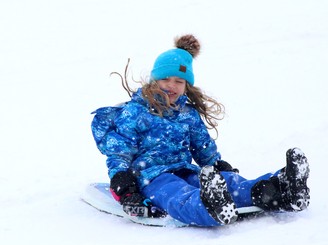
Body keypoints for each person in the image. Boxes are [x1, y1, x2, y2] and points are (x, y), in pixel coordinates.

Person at [91, 34, 310, 227]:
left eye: (179, 81)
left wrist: (215, 164)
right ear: (154, 80)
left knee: (229, 183)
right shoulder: (136, 112)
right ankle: (208, 206)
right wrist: (121, 178)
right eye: (165, 79)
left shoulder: (187, 113)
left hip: (186, 170)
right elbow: (119, 148)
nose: (171, 85)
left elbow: (201, 144)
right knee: (176, 193)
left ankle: (278, 190)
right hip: (151, 178)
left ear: (187, 86)